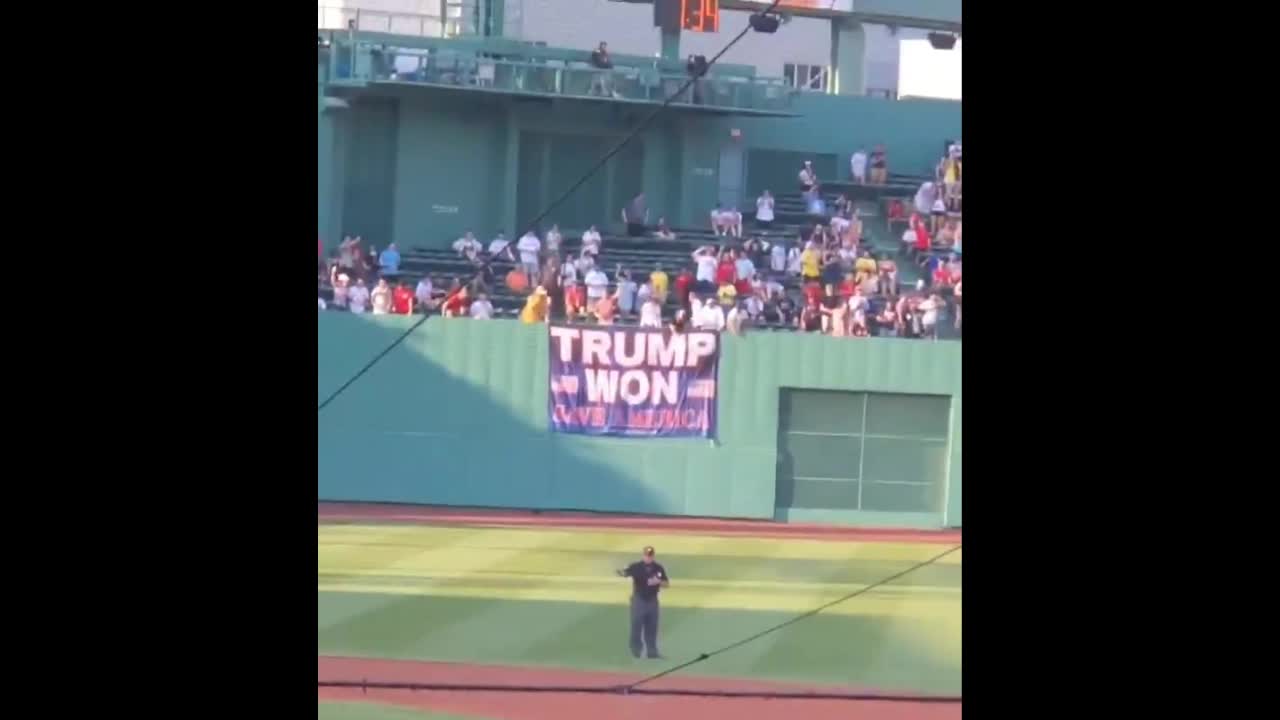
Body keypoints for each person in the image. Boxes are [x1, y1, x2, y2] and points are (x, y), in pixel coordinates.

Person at [617, 546, 669, 659]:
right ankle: (636, 650)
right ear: (643, 555)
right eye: (646, 555)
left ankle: (652, 652)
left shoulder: (658, 568)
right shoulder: (636, 567)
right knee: (636, 624)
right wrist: (621, 572)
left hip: (652, 600)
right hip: (639, 600)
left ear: (653, 556)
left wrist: (659, 582)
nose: (648, 557)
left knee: (652, 626)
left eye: (650, 555)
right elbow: (625, 573)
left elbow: (666, 584)